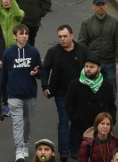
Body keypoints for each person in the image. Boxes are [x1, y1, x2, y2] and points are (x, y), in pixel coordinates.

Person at [42, 25, 90, 160]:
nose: (62, 39)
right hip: (61, 93)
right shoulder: (53, 52)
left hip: (80, 93)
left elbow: (92, 66)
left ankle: (74, 148)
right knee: (64, 121)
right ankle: (64, 151)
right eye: (60, 37)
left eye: (65, 36)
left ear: (71, 36)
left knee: (76, 121)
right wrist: (45, 86)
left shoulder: (82, 51)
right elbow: (45, 69)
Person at [2, 24, 42, 162]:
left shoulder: (34, 52)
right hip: (14, 94)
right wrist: (3, 96)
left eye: (26, 34)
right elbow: (4, 75)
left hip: (30, 94)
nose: (24, 36)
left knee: (28, 122)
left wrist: (36, 73)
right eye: (21, 33)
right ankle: (18, 149)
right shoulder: (8, 53)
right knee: (17, 123)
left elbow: (41, 72)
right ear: (15, 36)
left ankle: (25, 143)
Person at [65, 60, 117, 154]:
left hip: (100, 127)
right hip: (81, 127)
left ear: (99, 68)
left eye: (92, 67)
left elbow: (112, 106)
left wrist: (111, 121)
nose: (88, 69)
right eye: (86, 66)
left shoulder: (107, 85)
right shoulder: (75, 84)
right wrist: (75, 118)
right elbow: (69, 104)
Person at [77, 0, 118, 93]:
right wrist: (87, 61)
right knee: (91, 90)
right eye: (98, 5)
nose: (100, 7)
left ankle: (110, 108)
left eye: (102, 4)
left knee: (111, 90)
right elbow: (82, 43)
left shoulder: (115, 22)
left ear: (106, 6)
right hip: (93, 63)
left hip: (109, 62)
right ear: (93, 7)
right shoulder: (86, 23)